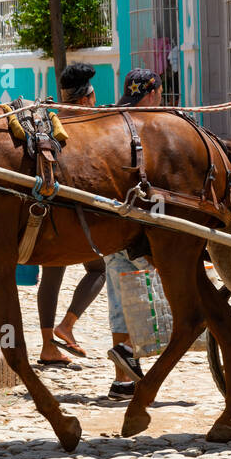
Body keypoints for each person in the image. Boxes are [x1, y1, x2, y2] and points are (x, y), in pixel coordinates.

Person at [35, 63, 105, 368]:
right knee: (99, 269)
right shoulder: (89, 126)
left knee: (51, 274)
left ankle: (48, 345)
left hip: (47, 211)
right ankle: (67, 324)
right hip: (76, 215)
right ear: (87, 98)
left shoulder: (51, 120)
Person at [102, 68, 163, 399]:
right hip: (139, 224)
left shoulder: (114, 118)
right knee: (146, 294)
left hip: (108, 219)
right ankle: (136, 372)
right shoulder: (152, 126)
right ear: (152, 94)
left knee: (119, 297)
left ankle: (124, 378)